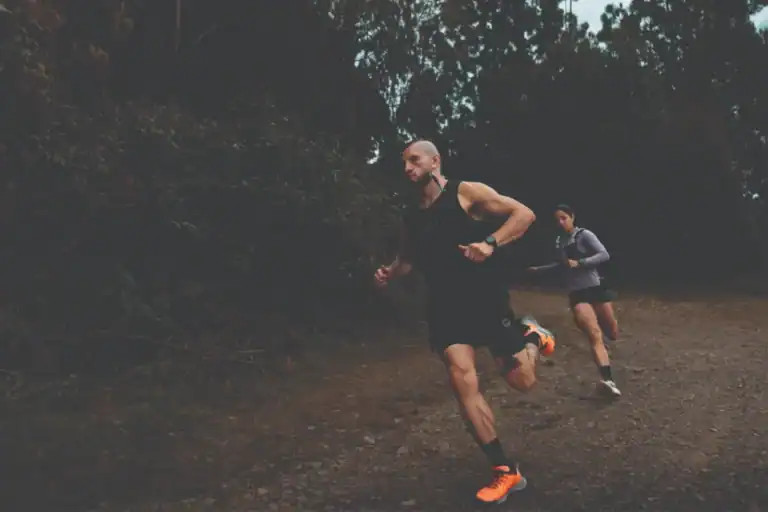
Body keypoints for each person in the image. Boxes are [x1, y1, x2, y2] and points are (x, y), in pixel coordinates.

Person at [374, 140, 556, 505]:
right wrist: (389, 272)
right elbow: (407, 258)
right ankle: (505, 471)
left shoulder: (466, 193)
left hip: (485, 300)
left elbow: (524, 215)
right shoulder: (411, 213)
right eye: (403, 163)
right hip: (444, 308)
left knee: (522, 381)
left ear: (434, 161)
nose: (408, 167)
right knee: (462, 380)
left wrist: (490, 242)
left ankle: (533, 336)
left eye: (414, 159)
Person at [527, 204, 621, 397]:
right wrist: (539, 270)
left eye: (563, 218)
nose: (560, 223)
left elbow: (604, 255)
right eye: (557, 220)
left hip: (596, 288)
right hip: (577, 294)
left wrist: (581, 263)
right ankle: (608, 380)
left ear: (572, 217)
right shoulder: (559, 241)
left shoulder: (585, 235)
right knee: (594, 335)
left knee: (612, 333)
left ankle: (605, 348)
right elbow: (562, 265)